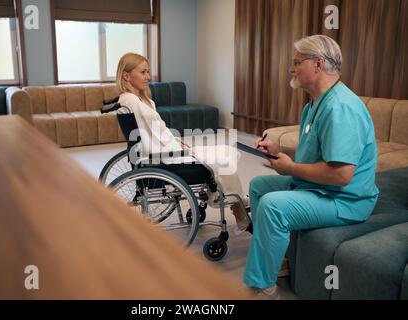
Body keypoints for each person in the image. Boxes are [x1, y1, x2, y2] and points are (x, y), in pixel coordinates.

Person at [243, 35, 379, 299]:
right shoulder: (314, 105)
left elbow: (341, 175)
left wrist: (291, 168)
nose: (291, 69)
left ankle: (261, 286)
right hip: (320, 188)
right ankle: (276, 260)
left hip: (346, 200)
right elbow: (318, 156)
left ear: (318, 64)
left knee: (273, 206)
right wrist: (280, 153)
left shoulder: (340, 108)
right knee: (260, 186)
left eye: (296, 63)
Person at [115, 52, 251, 231]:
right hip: (165, 158)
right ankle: (237, 207)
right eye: (143, 72)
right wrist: (180, 149)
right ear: (126, 75)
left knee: (226, 151)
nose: (148, 77)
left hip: (167, 150)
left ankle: (233, 198)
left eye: (148, 72)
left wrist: (179, 144)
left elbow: (156, 133)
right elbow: (152, 139)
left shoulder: (136, 99)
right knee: (224, 158)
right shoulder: (132, 100)